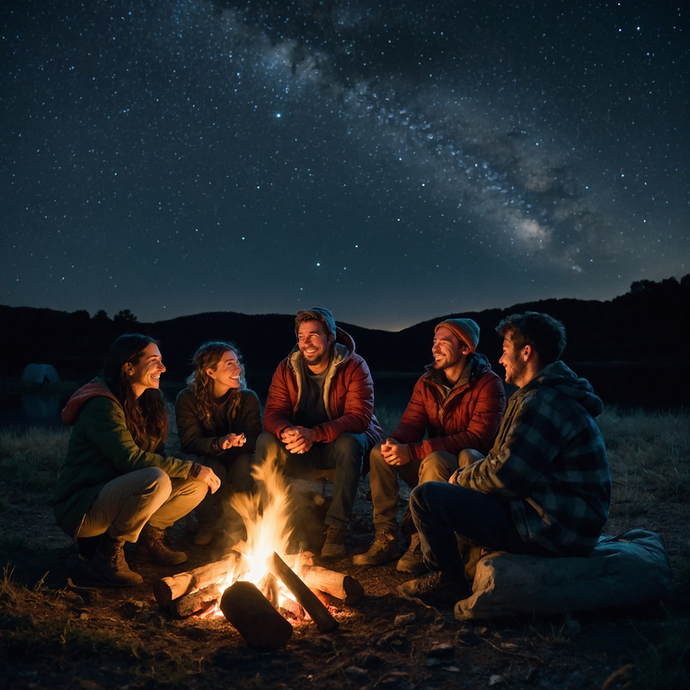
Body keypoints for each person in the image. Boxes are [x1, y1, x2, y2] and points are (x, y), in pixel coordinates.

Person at [399, 312, 611, 603]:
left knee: (426, 497)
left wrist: (458, 479)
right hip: (553, 515)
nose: (500, 360)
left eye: (505, 350)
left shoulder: (542, 402)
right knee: (464, 481)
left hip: (553, 527)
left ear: (526, 353)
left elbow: (506, 476)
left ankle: (448, 580)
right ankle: (462, 559)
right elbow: (505, 462)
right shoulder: (538, 394)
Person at [54, 334, 221, 588]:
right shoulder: (102, 404)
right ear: (128, 367)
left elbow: (155, 457)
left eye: (162, 361)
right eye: (154, 361)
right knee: (157, 479)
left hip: (116, 493)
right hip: (83, 505)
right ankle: (106, 556)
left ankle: (148, 542)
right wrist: (192, 467)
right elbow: (130, 460)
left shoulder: (147, 403)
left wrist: (190, 470)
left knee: (196, 484)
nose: (162, 368)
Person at [354, 319, 506, 572]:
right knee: (380, 452)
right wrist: (396, 442)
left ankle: (422, 540)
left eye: (443, 343)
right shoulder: (427, 382)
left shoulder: (489, 384)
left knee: (434, 459)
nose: (435, 348)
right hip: (433, 460)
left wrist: (414, 450)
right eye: (434, 342)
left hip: (469, 467)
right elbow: (412, 422)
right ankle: (386, 537)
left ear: (465, 349)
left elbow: (477, 438)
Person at [255, 307, 383, 558]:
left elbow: (358, 418)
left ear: (330, 337)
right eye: (301, 337)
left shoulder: (354, 365)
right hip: (302, 447)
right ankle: (268, 522)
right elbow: (272, 414)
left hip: (341, 449)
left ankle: (336, 528)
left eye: (313, 335)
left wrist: (315, 434)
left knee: (350, 442)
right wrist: (288, 431)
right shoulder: (287, 368)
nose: (306, 343)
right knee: (265, 441)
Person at [175, 341, 262, 546]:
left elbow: (256, 438)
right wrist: (219, 443)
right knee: (208, 466)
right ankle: (206, 522)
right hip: (208, 457)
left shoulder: (248, 398)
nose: (238, 368)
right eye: (229, 364)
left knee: (244, 465)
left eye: (237, 362)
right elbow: (189, 443)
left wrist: (241, 442)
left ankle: (241, 521)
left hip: (238, 459)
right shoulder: (187, 399)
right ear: (210, 372)